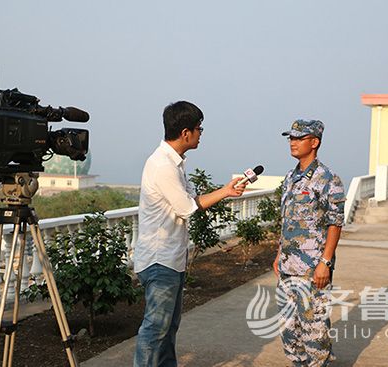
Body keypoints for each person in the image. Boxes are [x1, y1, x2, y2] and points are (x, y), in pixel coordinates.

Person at [133, 101, 247, 367]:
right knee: (155, 329)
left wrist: (224, 191)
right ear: (186, 133)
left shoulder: (174, 163)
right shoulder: (163, 165)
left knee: (168, 328)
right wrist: (225, 192)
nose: (201, 133)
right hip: (160, 260)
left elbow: (188, 199)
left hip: (171, 258)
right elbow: (186, 207)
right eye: (199, 128)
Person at [273, 119, 345, 367]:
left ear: (314, 142)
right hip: (287, 269)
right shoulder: (290, 177)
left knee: (314, 331)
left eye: (298, 138)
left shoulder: (327, 179)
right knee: (288, 331)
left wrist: (325, 262)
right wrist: (278, 253)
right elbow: (287, 220)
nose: (292, 142)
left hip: (312, 270)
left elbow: (335, 223)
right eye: (290, 138)